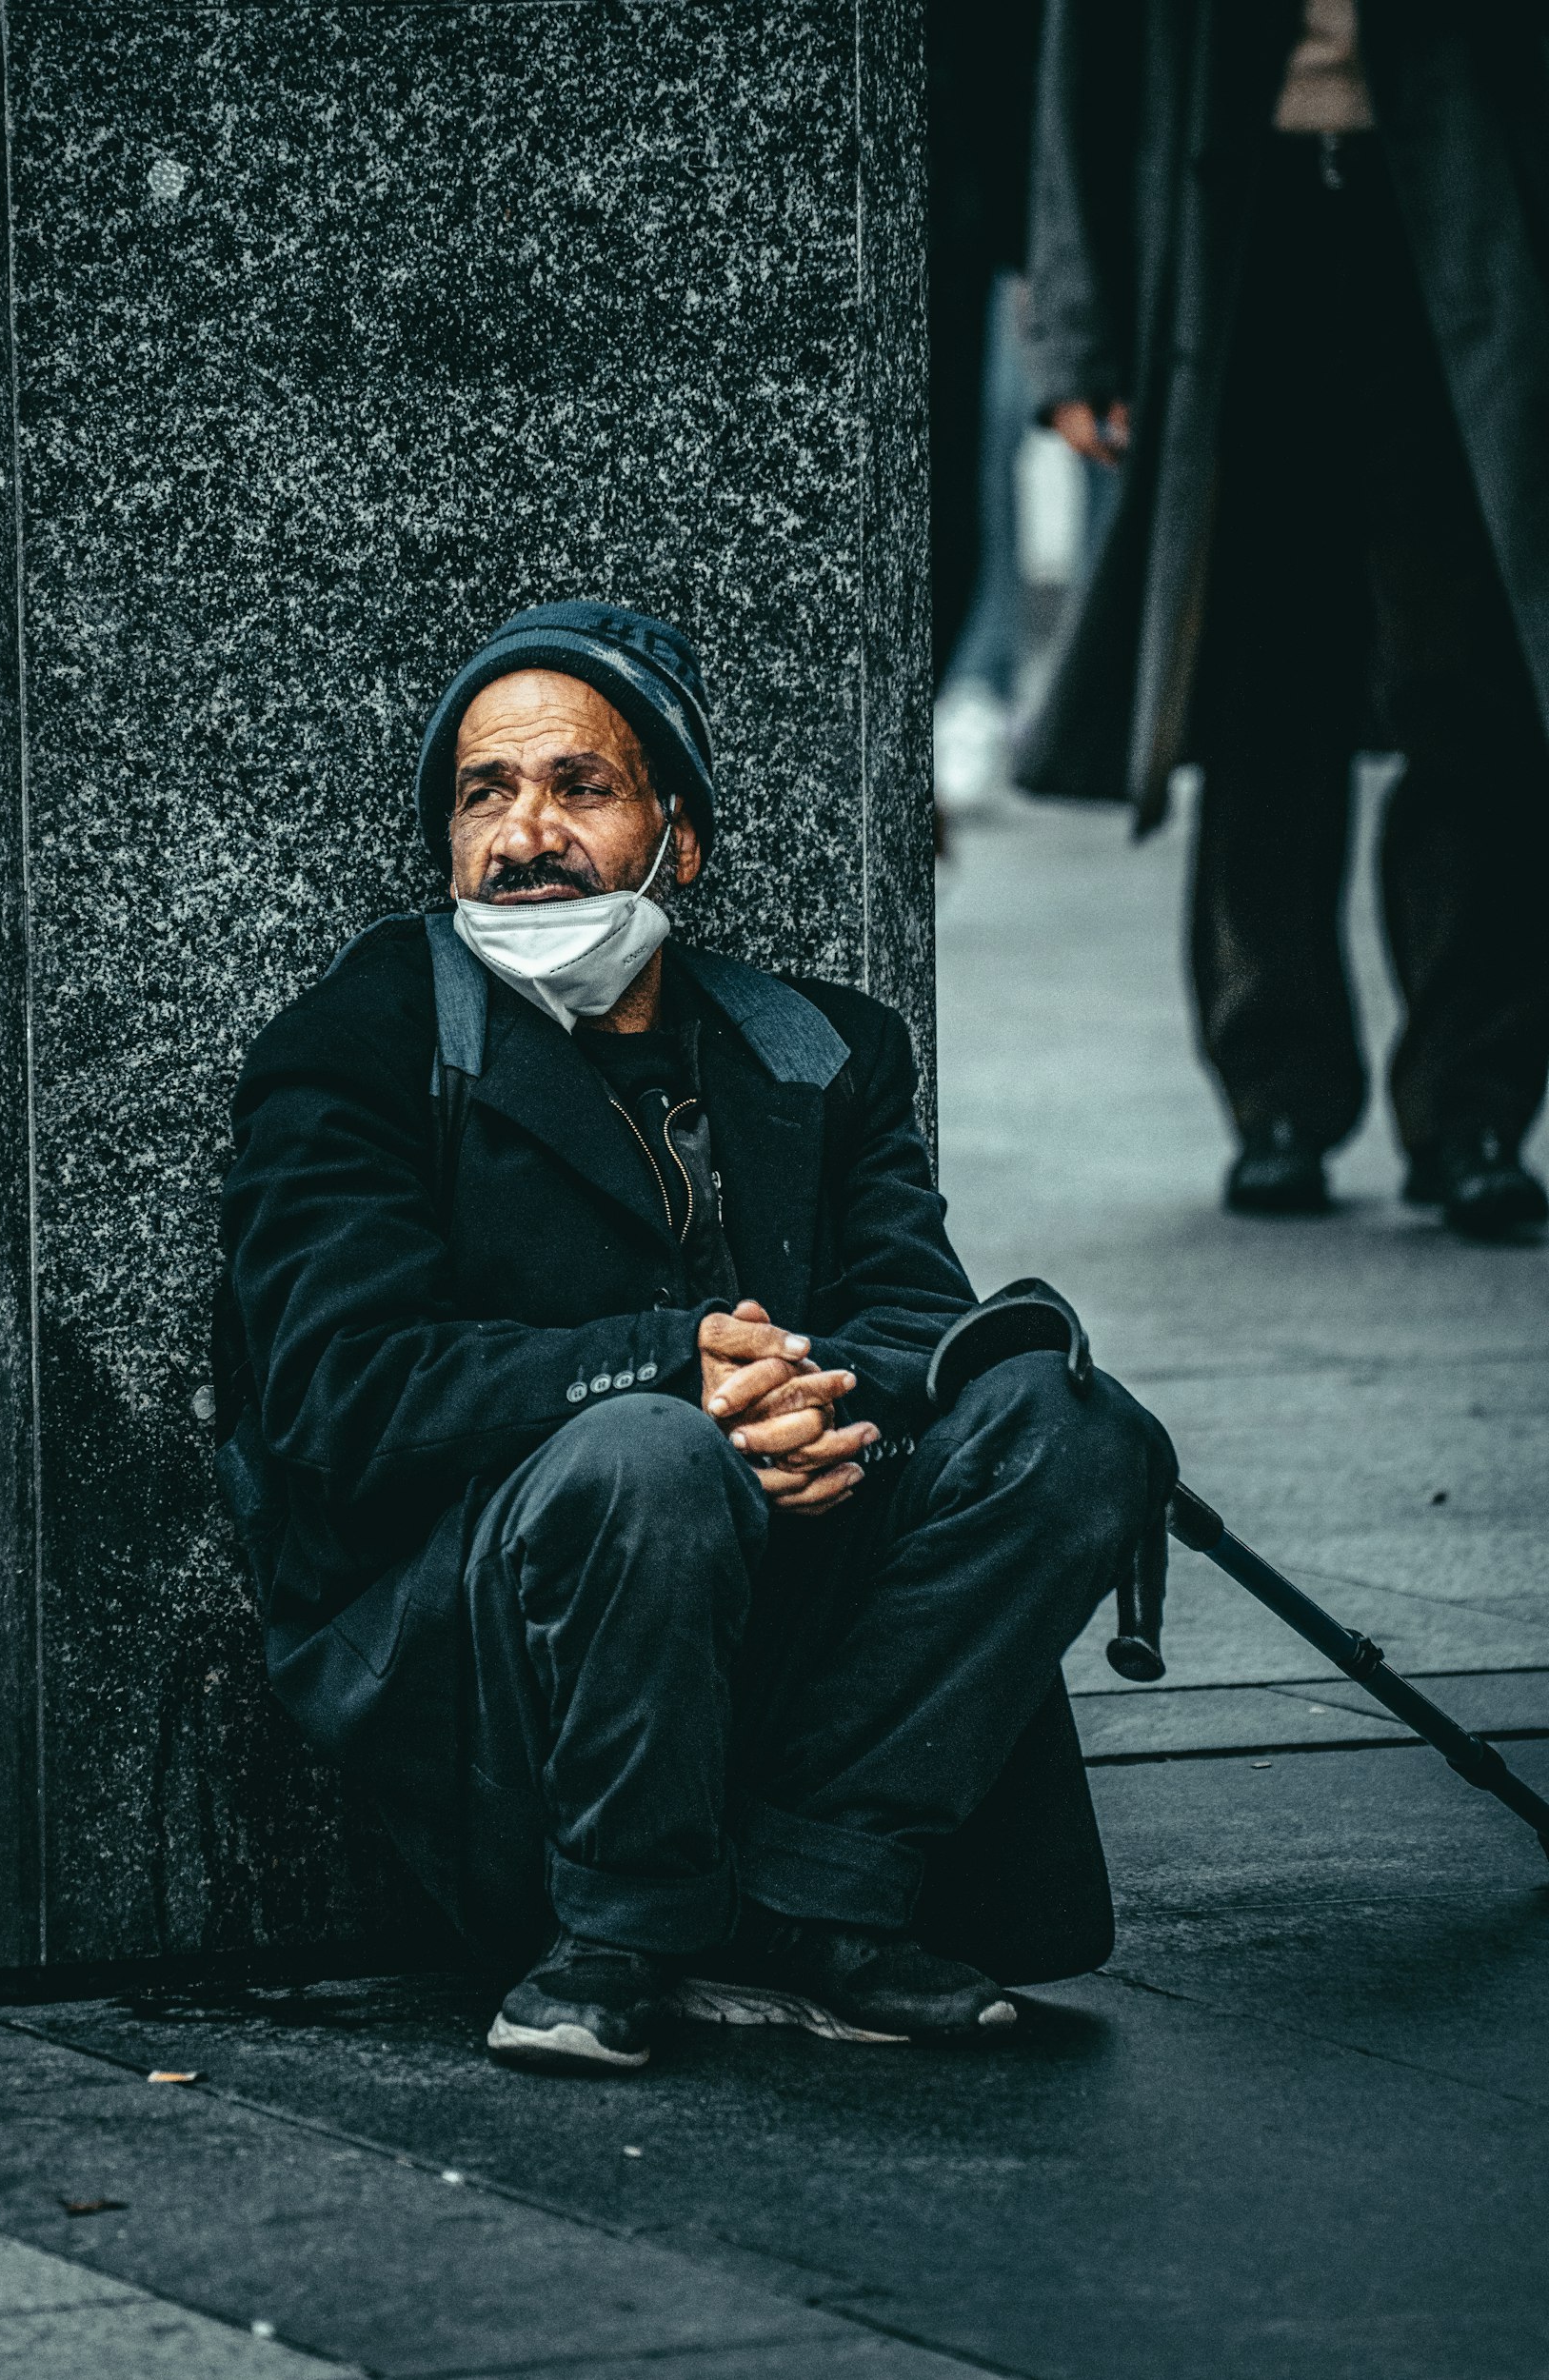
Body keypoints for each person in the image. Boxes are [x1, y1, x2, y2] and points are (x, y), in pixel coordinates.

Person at [214, 602, 1173, 2074]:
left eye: (579, 788)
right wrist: (677, 1373)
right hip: (482, 1618)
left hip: (796, 1560)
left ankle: (821, 1897)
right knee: (652, 1452)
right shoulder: (365, 1037)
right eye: (485, 794)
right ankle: (620, 1936)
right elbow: (337, 1392)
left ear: (682, 837)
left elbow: (912, 1314)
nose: (525, 833)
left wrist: (809, 1401)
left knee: (1074, 1427)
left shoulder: (818, 1047)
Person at [1019, 0, 1549, 1237]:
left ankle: (1473, 1105)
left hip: (1472, 235)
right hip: (1238, 247)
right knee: (1261, 689)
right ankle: (1280, 1095)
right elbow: (1086, 57)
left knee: (1476, 686)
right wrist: (1079, 340)